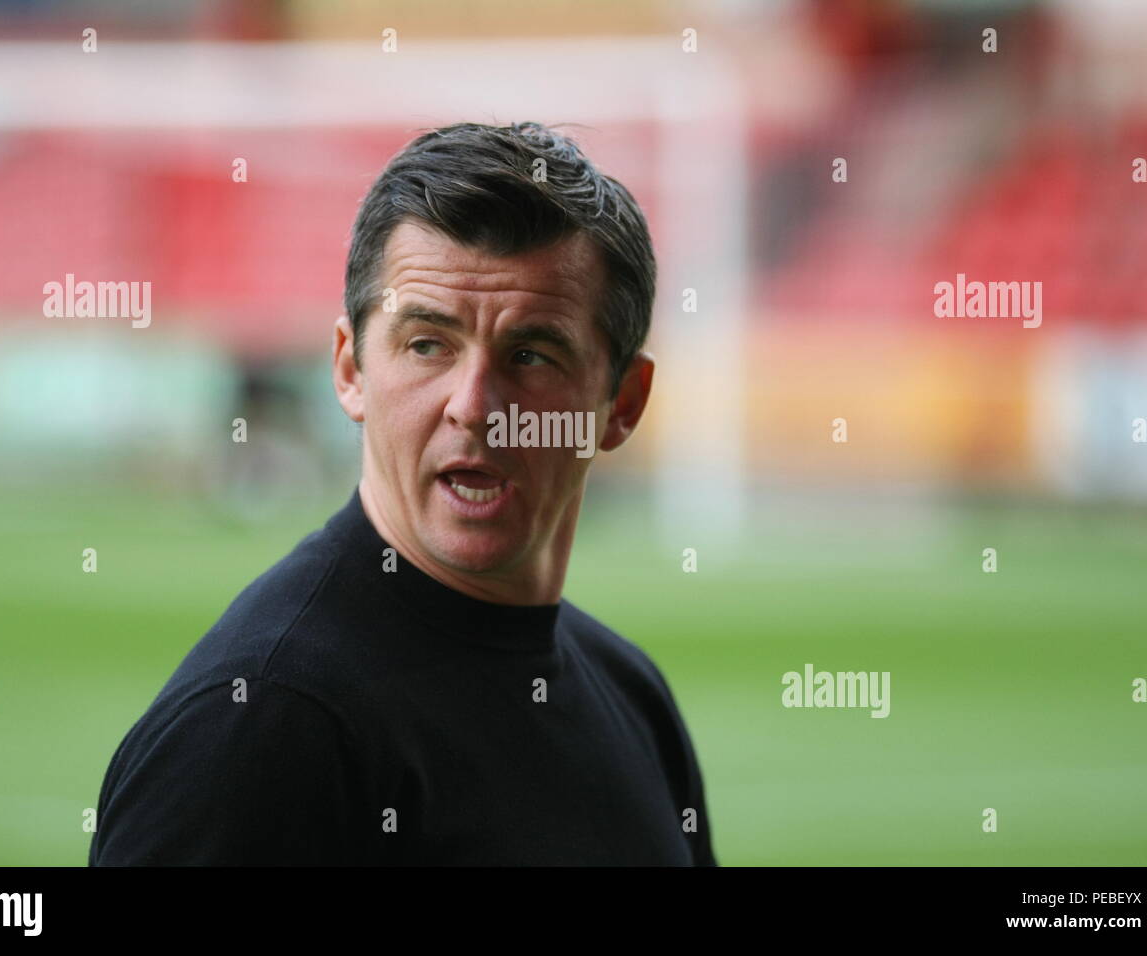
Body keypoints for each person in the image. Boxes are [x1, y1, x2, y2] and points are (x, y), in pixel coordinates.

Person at [89, 121, 717, 865]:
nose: (475, 405)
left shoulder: (632, 695)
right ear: (351, 371)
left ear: (623, 403)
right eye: (427, 345)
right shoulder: (262, 725)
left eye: (532, 355)